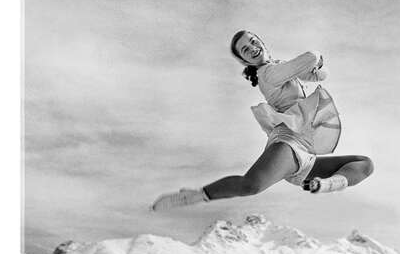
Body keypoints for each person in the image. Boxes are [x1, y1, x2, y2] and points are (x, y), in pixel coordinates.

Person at [151, 30, 373, 211]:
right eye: (246, 50)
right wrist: (317, 57)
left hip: (307, 152)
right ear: (244, 60)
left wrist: (318, 68)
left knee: (364, 165)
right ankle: (195, 196)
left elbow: (318, 76)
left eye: (254, 42)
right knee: (251, 185)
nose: (253, 49)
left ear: (262, 42)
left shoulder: (278, 67)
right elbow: (311, 59)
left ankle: (324, 185)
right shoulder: (268, 74)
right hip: (290, 143)